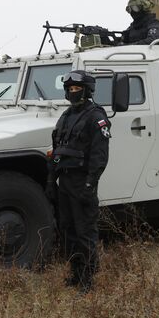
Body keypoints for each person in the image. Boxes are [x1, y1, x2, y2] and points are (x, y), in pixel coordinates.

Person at [45, 70, 111, 293]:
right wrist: (50, 181)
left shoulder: (96, 117)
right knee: (68, 229)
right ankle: (76, 272)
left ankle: (88, 279)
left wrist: (90, 185)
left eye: (77, 89)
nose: (73, 93)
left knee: (85, 231)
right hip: (65, 182)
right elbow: (57, 150)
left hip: (83, 182)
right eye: (70, 89)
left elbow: (99, 156)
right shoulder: (66, 116)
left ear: (87, 90)